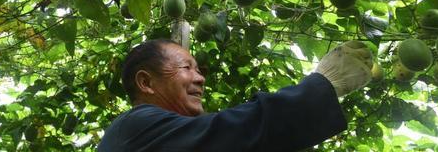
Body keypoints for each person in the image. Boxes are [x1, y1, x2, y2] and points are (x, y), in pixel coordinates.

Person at [98, 38, 373, 151]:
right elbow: (235, 132)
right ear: (146, 82)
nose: (200, 78)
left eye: (200, 69)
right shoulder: (134, 127)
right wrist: (322, 85)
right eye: (186, 68)